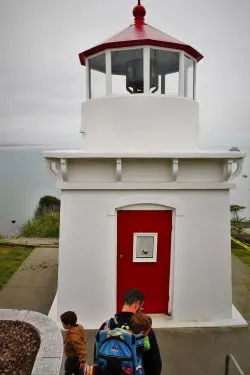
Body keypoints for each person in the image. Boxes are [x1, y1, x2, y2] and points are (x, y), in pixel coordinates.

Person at [97, 288, 162, 375]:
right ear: (136, 304)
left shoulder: (106, 326)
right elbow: (154, 365)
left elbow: (97, 356)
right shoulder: (143, 327)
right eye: (142, 307)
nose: (142, 310)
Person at [61, 311, 87, 375]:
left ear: (68, 325)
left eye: (63, 323)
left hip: (73, 358)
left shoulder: (73, 337)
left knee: (69, 370)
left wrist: (82, 361)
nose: (62, 325)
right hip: (76, 358)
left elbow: (81, 348)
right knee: (78, 371)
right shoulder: (77, 328)